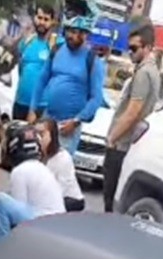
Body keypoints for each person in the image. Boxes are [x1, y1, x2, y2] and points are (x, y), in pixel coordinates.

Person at [28, 14, 105, 156]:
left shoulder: (92, 59)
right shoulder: (57, 50)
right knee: (38, 160)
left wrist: (76, 121)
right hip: (48, 119)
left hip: (69, 125)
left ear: (86, 35)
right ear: (66, 31)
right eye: (72, 31)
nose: (74, 36)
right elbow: (42, 80)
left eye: (80, 33)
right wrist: (32, 109)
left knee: (59, 166)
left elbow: (96, 98)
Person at [103, 24, 161, 212]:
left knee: (110, 199)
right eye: (129, 47)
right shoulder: (151, 71)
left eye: (135, 48)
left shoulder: (144, 73)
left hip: (122, 144)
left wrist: (113, 137)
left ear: (148, 48)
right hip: (131, 144)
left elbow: (132, 111)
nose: (130, 52)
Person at [0, 124, 66, 243]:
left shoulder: (20, 171)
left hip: (41, 225)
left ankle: (1, 248)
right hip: (54, 225)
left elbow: (15, 214)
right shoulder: (41, 168)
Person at [12, 3, 61, 121]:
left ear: (52, 22)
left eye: (46, 19)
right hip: (20, 103)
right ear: (34, 18)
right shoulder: (27, 42)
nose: (42, 22)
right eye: (39, 18)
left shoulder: (57, 44)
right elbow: (20, 69)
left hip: (41, 107)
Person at [36, 118, 85, 212]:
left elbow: (60, 189)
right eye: (36, 134)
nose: (38, 138)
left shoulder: (62, 158)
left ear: (52, 135)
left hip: (69, 199)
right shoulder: (37, 155)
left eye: (42, 134)